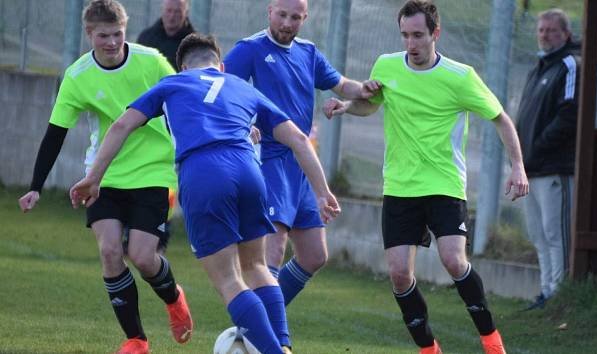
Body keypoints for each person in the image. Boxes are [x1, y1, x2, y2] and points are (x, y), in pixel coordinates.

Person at [69, 33, 340, 354]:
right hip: (250, 170)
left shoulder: (172, 85)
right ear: (221, 66)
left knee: (229, 280)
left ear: (182, 67)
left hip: (204, 172)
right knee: (256, 267)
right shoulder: (243, 87)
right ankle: (283, 345)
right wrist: (322, 191)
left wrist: (93, 177)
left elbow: (120, 126)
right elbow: (297, 138)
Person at [324, 1, 529, 353]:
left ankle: (492, 342)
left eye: (418, 35)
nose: (411, 43)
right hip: (400, 186)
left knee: (453, 260)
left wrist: (518, 166)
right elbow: (372, 104)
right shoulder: (387, 66)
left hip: (444, 183)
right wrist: (346, 107)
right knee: (400, 274)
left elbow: (500, 118)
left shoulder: (460, 76)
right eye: (405, 35)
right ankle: (429, 349)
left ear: (435, 33)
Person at [17, 1, 192, 353]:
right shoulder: (78, 76)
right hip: (102, 174)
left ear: (125, 30)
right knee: (110, 251)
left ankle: (174, 298)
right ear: (89, 34)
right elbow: (55, 133)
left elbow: (187, 99)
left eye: (117, 34)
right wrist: (36, 186)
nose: (112, 43)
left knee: (142, 257)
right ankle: (136, 341)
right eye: (103, 36)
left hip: (154, 169)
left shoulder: (152, 61)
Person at [223, 0, 380, 307]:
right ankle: (263, 333)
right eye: (282, 15)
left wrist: (365, 89)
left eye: (295, 17)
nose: (287, 23)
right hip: (267, 157)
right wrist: (244, 126)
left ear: (304, 18)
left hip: (302, 161)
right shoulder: (248, 49)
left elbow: (341, 84)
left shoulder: (308, 52)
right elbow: (222, 93)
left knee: (314, 255)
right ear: (269, 11)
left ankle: (261, 321)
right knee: (274, 246)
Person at [516, 8, 579, 311]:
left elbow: (569, 116)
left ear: (566, 34)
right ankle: (546, 293)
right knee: (539, 235)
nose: (544, 35)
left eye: (551, 30)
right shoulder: (540, 67)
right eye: (541, 30)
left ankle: (560, 295)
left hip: (554, 167)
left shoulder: (569, 65)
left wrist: (537, 148)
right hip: (531, 168)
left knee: (557, 235)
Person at [137, 0, 196, 70]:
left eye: (177, 12)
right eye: (169, 10)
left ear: (186, 13)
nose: (172, 16)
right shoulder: (146, 38)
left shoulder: (194, 44)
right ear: (162, 10)